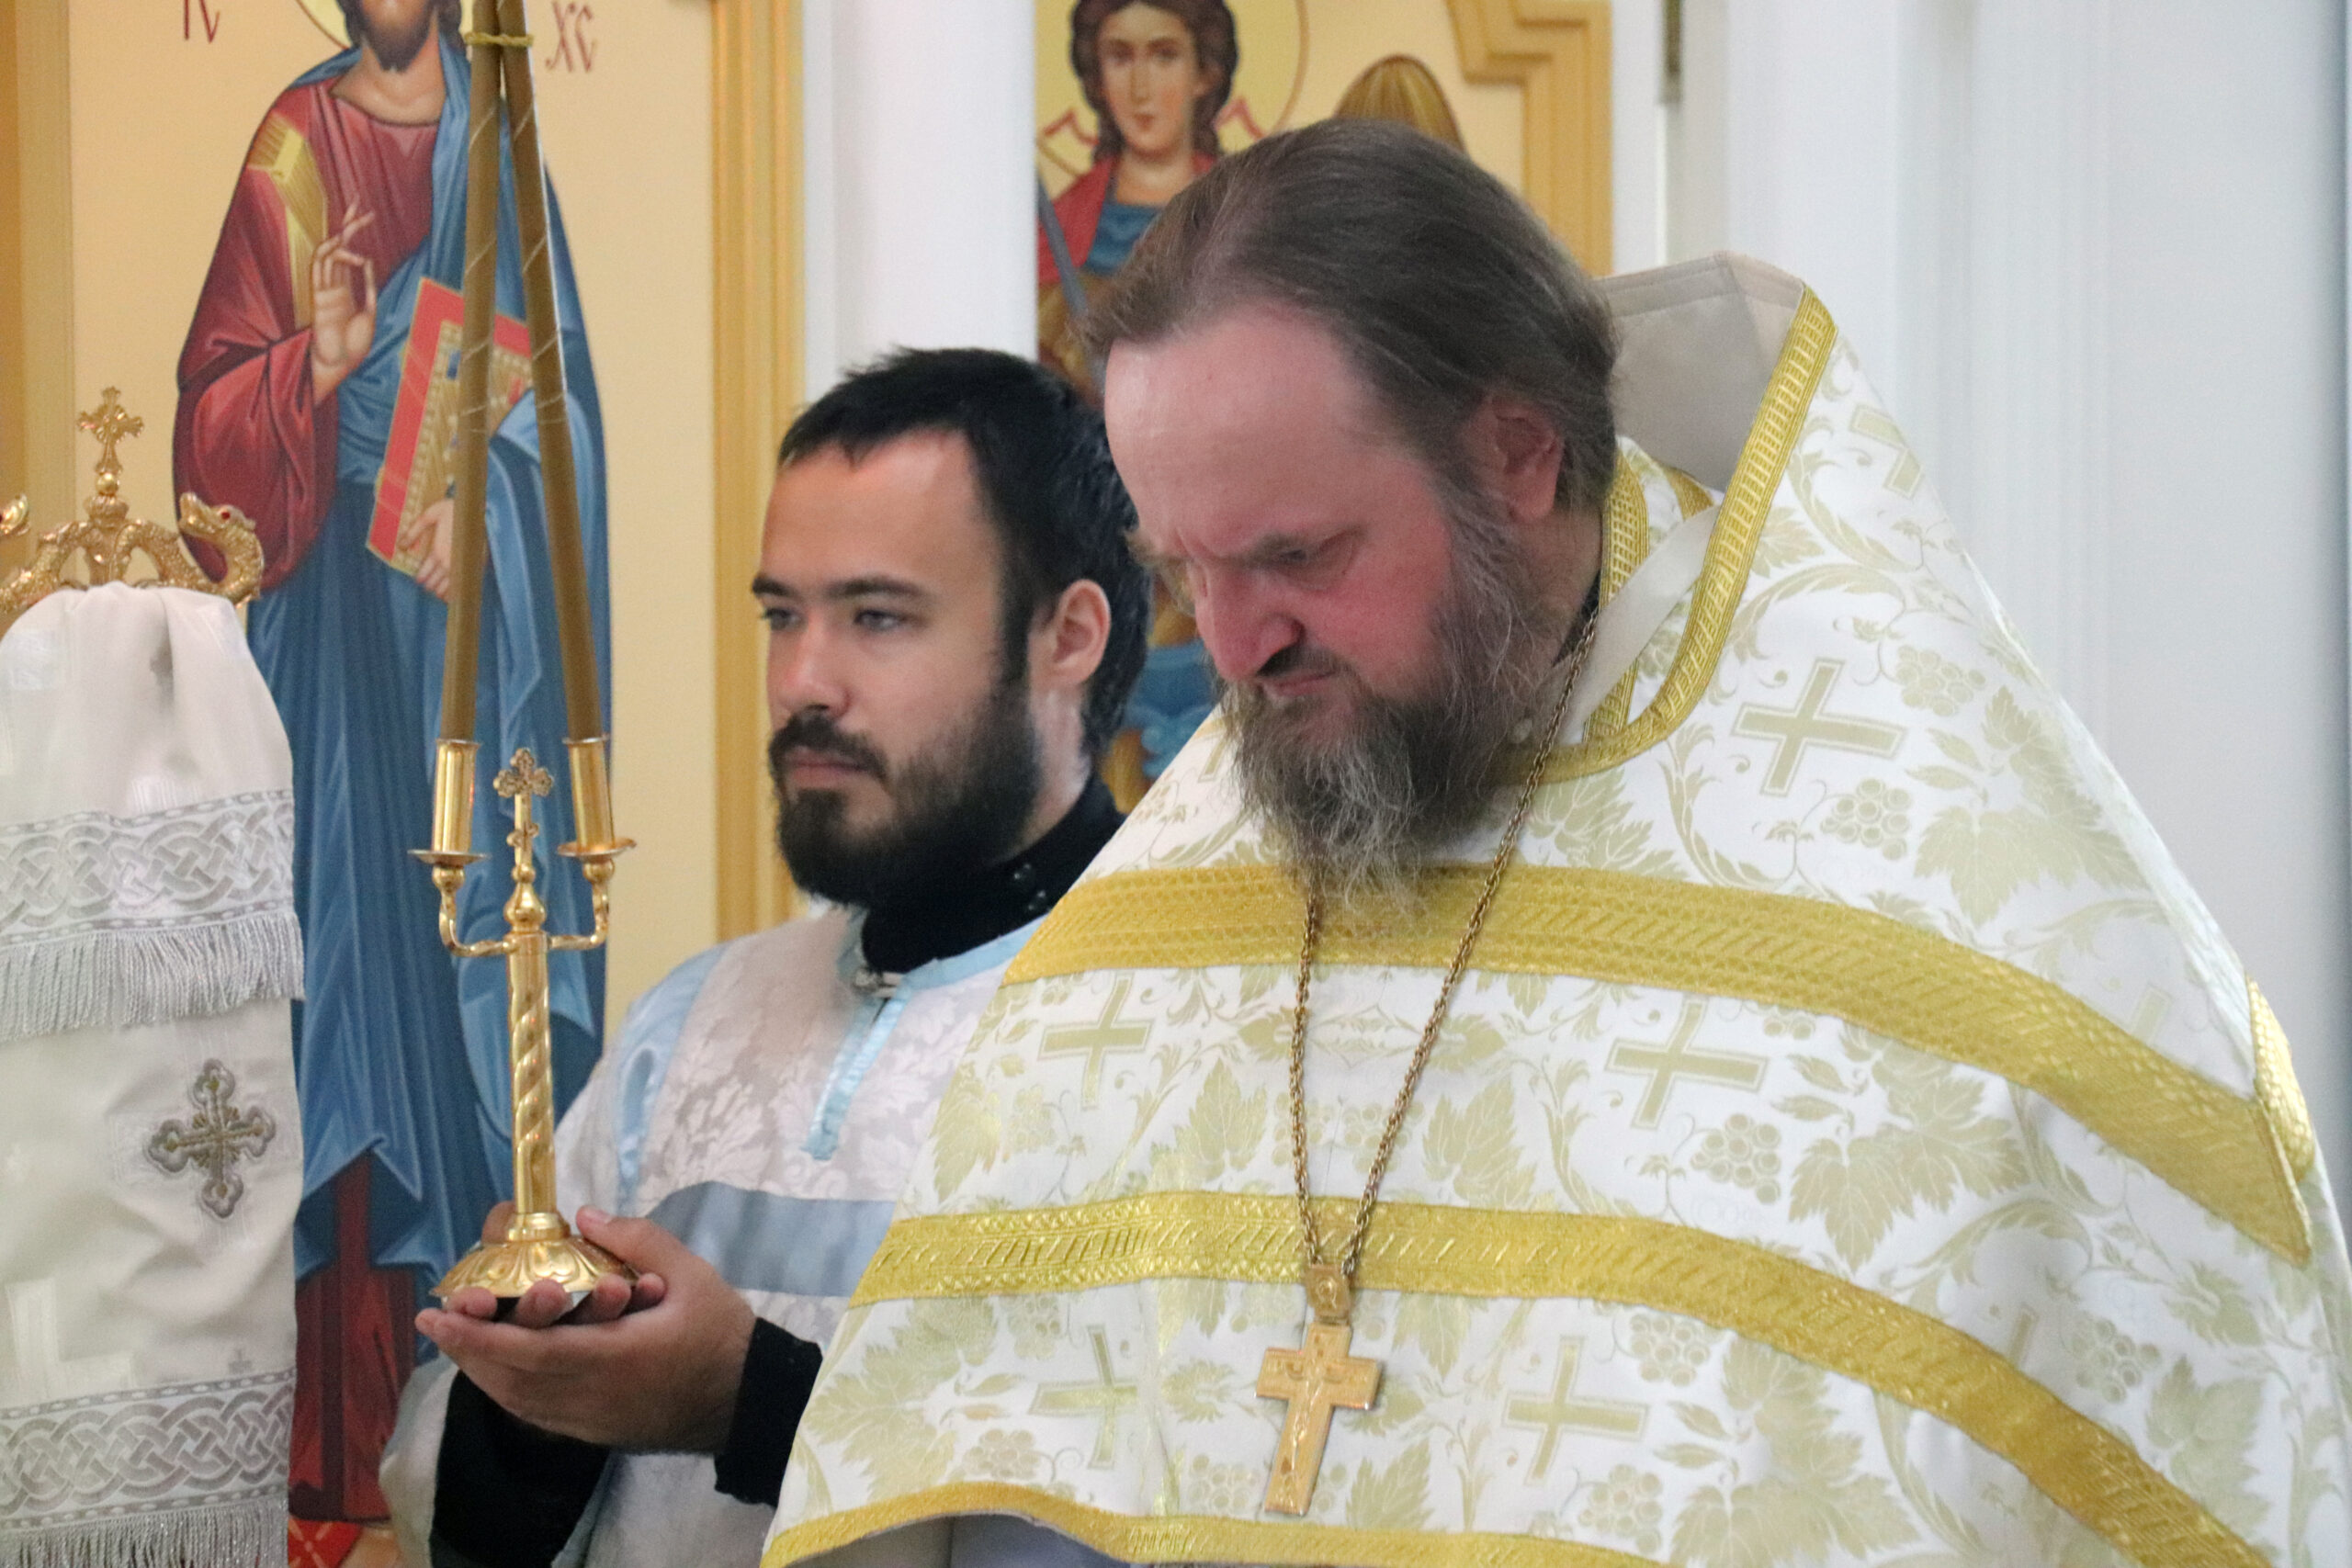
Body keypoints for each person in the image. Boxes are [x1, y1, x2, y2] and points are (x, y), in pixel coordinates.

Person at [763, 121, 2352, 1567]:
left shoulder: (1936, 874)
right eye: (1189, 571)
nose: (1235, 651)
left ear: (1518, 456)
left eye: (1298, 553)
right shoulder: (1184, 886)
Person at [378, 349, 1151, 1568]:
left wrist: (751, 1405)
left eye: (877, 617)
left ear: (1068, 636)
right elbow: (456, 1513)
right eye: (782, 614)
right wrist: (543, 1397)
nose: (800, 683)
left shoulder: (1192, 1035)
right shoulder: (690, 1021)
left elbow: (1169, 1490)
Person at [173, 0, 608, 1532]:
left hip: (460, 654)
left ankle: (473, 1427)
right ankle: (335, 1429)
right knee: (336, 993)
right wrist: (318, 362)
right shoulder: (293, 146)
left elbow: (564, 416)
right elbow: (209, 434)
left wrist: (478, 480)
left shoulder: (502, 144)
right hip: (329, 657)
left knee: (451, 995)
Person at [1037, 0, 1237, 392]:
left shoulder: (1247, 212)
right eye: (1120, 58)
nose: (1141, 88)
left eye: (1165, 56)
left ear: (1204, 74)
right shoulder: (1055, 230)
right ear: (1098, 77)